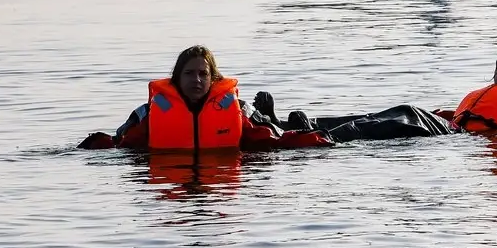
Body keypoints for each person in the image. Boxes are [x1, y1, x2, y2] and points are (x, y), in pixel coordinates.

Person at [80, 45, 325, 151]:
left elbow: (276, 138)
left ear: (212, 79)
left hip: (220, 180)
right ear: (176, 78)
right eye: (188, 73)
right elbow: (118, 142)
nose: (196, 80)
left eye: (202, 74)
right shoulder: (149, 112)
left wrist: (318, 141)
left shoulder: (239, 109)